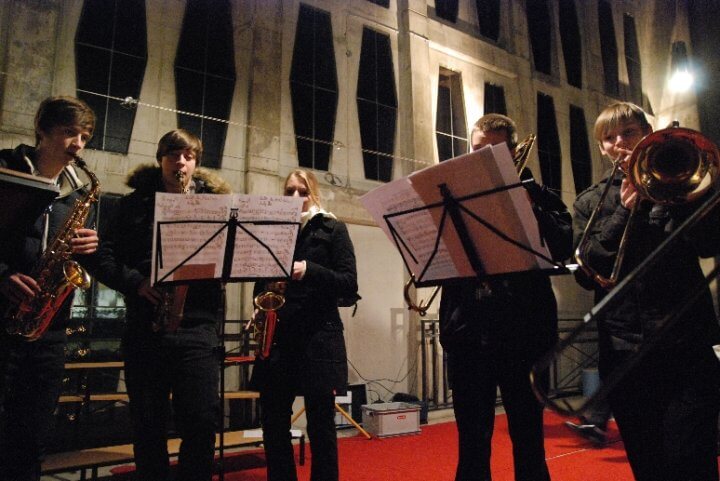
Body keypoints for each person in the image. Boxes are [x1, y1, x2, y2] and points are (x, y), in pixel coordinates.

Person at [572, 101, 720, 481]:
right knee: (648, 463)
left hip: (687, 345)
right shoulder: (591, 201)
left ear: (647, 134)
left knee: (692, 459)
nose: (619, 143)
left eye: (628, 133)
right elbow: (589, 270)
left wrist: (684, 198)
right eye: (609, 138)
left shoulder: (684, 186)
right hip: (625, 355)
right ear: (602, 147)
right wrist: (624, 211)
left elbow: (709, 242)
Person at [439, 113, 573, 481]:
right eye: (477, 150)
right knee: (472, 440)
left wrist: (531, 208)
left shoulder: (538, 194)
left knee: (528, 438)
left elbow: (565, 246)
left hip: (525, 334)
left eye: (494, 150)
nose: (483, 158)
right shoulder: (451, 198)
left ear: (513, 151)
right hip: (467, 333)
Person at [92, 129, 231, 481]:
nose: (180, 162)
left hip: (198, 327)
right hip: (146, 327)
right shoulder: (134, 204)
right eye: (173, 155)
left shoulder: (217, 206)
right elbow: (104, 255)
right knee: (148, 424)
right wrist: (135, 282)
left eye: (187, 156)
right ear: (160, 159)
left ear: (196, 162)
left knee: (201, 421)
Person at [0, 96, 98, 481]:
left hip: (48, 326)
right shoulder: (6, 168)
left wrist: (90, 248)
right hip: (2, 314)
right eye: (69, 132)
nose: (78, 144)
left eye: (85, 136)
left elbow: (73, 258)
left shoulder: (78, 192)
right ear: (42, 129)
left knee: (33, 432)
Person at [250, 169, 358, 481]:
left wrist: (310, 270)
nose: (295, 197)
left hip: (318, 336)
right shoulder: (272, 233)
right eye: (289, 191)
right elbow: (261, 286)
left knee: (321, 424)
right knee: (272, 421)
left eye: (302, 191)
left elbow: (349, 284)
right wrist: (260, 305)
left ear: (314, 195)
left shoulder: (333, 228)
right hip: (279, 337)